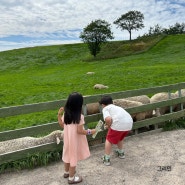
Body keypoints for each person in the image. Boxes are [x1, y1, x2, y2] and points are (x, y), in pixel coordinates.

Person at [58, 92, 96, 184]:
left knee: (67, 155)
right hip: (75, 141)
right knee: (73, 158)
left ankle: (66, 173)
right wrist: (91, 131)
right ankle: (71, 178)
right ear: (79, 104)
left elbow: (62, 125)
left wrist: (59, 115)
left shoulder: (66, 114)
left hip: (67, 140)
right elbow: (80, 131)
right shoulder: (80, 117)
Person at [99, 95, 133, 166]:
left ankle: (106, 158)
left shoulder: (105, 108)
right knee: (120, 137)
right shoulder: (117, 107)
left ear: (103, 105)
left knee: (109, 140)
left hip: (118, 124)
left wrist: (108, 126)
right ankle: (121, 153)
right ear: (112, 102)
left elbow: (108, 119)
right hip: (129, 124)